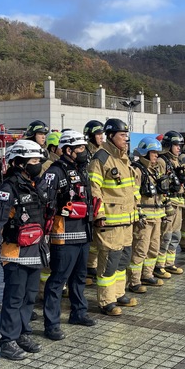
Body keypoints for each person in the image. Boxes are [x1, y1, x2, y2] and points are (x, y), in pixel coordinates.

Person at [0, 140, 47, 360]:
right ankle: (7, 340)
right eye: (33, 161)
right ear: (19, 163)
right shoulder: (7, 188)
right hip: (15, 252)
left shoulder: (33, 184)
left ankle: (22, 333)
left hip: (35, 250)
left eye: (38, 160)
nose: (37, 164)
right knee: (14, 298)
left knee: (29, 297)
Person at [40, 130, 97, 341]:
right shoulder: (55, 171)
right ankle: (51, 324)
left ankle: (78, 312)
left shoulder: (82, 170)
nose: (84, 152)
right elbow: (43, 198)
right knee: (58, 280)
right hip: (64, 234)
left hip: (83, 232)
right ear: (68, 150)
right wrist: (60, 206)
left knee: (80, 277)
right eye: (80, 148)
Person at [88, 118, 139, 316]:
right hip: (109, 220)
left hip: (126, 219)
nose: (126, 139)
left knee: (123, 258)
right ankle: (106, 301)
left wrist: (137, 212)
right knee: (110, 260)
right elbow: (94, 189)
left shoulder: (123, 157)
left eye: (126, 135)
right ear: (111, 136)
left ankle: (118, 294)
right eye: (122, 135)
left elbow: (130, 188)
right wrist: (98, 214)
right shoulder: (101, 158)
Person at [128, 137, 167, 293]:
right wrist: (138, 213)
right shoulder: (137, 170)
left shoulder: (155, 170)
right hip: (144, 217)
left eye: (157, 153)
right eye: (153, 152)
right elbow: (133, 194)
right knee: (140, 249)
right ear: (145, 153)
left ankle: (147, 274)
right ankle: (134, 281)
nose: (156, 155)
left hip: (156, 215)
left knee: (153, 248)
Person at [157, 131, 185, 276]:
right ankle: (159, 265)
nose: (179, 148)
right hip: (169, 205)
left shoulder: (177, 161)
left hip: (178, 204)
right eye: (176, 145)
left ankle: (169, 263)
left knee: (176, 236)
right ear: (168, 145)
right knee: (165, 236)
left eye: (180, 145)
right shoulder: (162, 161)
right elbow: (160, 185)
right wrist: (165, 203)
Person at [83, 119, 105, 285]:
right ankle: (88, 268)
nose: (101, 137)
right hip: (87, 199)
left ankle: (92, 267)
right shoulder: (84, 153)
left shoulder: (103, 153)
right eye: (98, 134)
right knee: (89, 239)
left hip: (99, 200)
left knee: (97, 239)